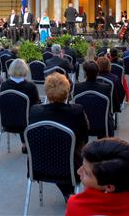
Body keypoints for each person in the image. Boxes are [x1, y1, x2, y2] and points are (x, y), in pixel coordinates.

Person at [29, 73, 89, 201]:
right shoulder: (77, 111)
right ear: (67, 91)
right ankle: (70, 192)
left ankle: (67, 192)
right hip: (70, 165)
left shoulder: (35, 111)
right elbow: (84, 136)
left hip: (39, 165)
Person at [0, 59, 40, 152]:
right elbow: (36, 104)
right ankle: (27, 143)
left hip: (7, 121)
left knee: (19, 109)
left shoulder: (4, 85)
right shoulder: (30, 86)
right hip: (26, 121)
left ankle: (24, 143)